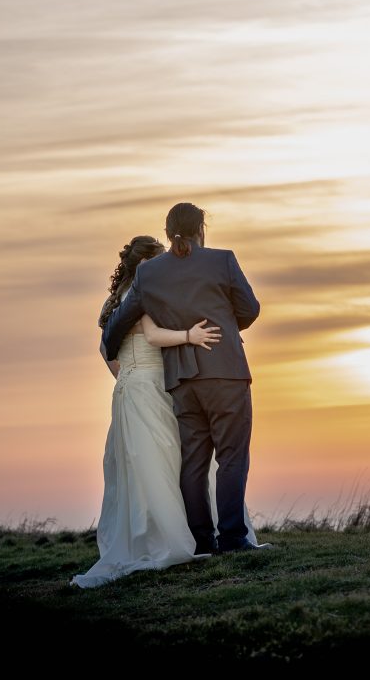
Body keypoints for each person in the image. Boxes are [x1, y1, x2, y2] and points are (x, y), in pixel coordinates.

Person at [70, 235, 259, 589]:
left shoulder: (114, 301)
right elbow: (154, 336)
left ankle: (160, 534)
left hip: (132, 388)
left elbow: (105, 349)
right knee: (177, 462)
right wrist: (189, 335)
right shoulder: (145, 294)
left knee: (145, 468)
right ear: (145, 265)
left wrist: (127, 376)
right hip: (155, 386)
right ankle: (186, 537)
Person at [101, 203, 267, 555]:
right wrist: (222, 325)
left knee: (193, 462)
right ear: (201, 229)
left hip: (180, 380)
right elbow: (250, 309)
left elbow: (116, 327)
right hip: (225, 373)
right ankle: (234, 539)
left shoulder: (150, 275)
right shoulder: (222, 260)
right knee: (232, 457)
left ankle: (202, 541)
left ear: (167, 232)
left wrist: (115, 351)